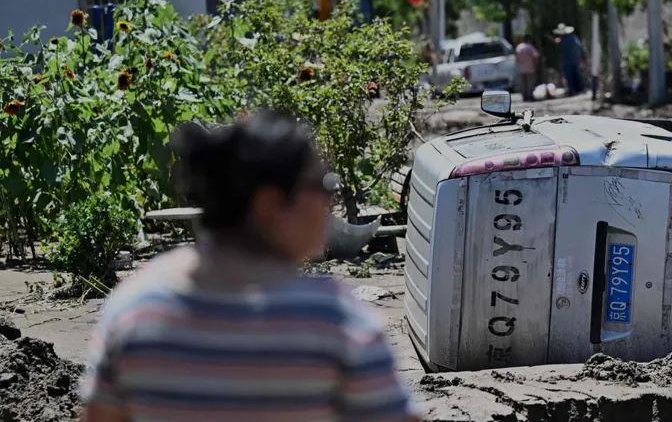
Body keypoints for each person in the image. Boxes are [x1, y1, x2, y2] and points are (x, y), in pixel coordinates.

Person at [79, 110, 419, 422]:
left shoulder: (135, 307)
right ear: (269, 204)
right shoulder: (332, 319)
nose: (328, 199)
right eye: (321, 185)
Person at [554, 23, 585, 96]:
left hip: (567, 61)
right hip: (575, 59)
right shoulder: (574, 38)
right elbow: (579, 48)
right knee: (577, 74)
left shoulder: (562, 41)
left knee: (569, 76)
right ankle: (580, 89)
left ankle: (572, 90)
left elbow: (560, 49)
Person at [515, 35, 540, 102]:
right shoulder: (530, 47)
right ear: (529, 40)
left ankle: (524, 96)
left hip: (521, 68)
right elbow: (535, 56)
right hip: (530, 68)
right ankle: (530, 96)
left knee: (523, 84)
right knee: (530, 83)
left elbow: (517, 58)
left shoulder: (519, 47)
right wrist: (535, 65)